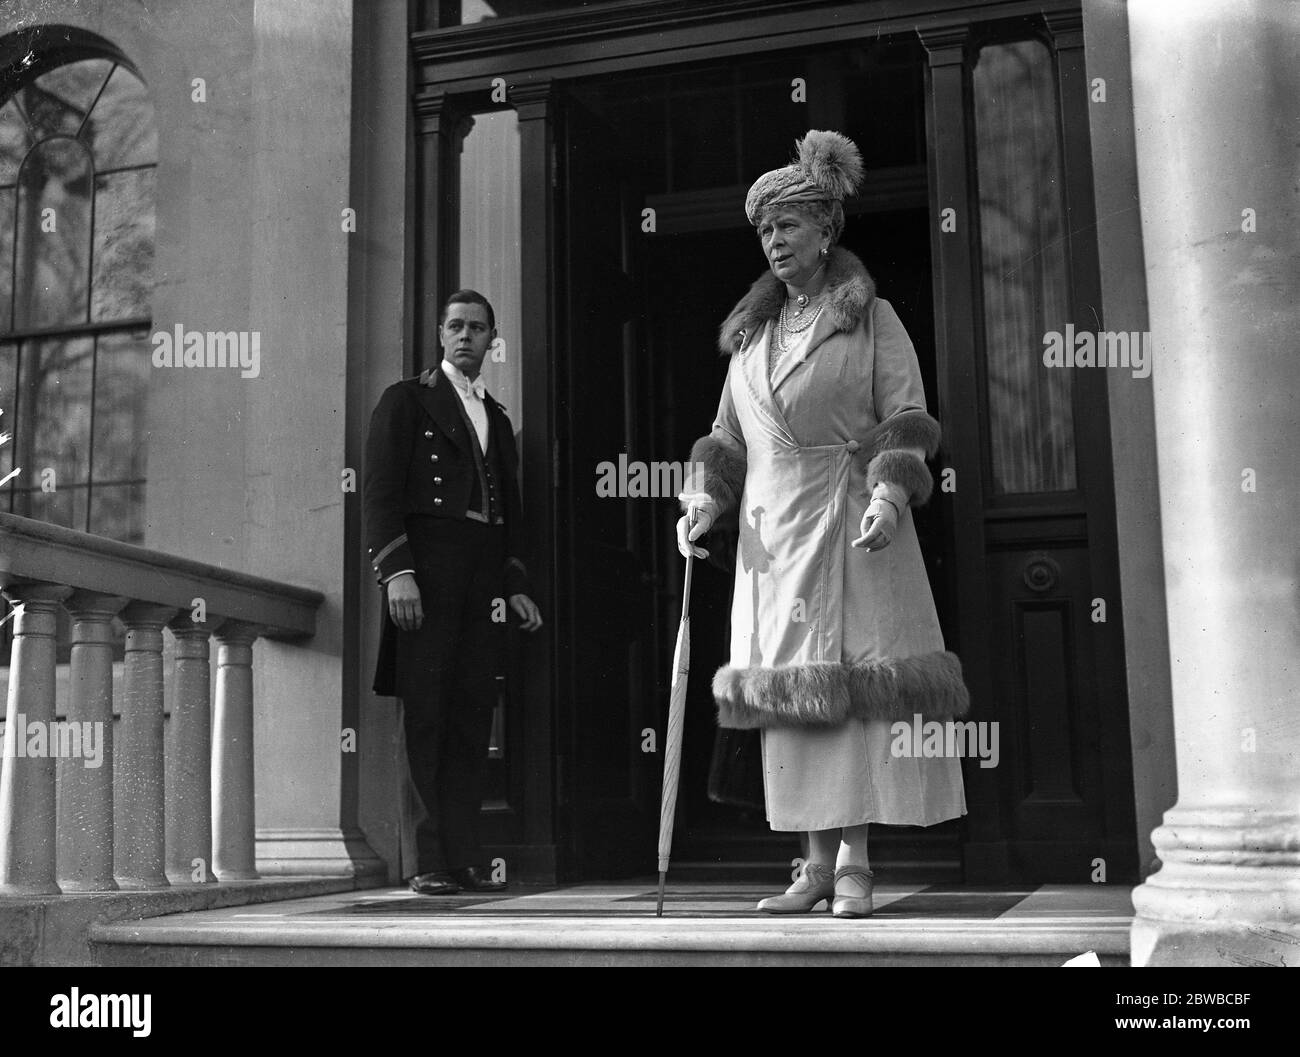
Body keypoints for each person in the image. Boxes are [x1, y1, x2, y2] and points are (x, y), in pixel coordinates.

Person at [676, 131, 969, 918]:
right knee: (794, 702)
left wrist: (891, 494)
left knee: (855, 693)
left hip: (852, 522)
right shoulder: (749, 339)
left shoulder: (873, 320)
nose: (774, 241)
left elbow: (907, 416)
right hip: (773, 543)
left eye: (789, 225)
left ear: (826, 231)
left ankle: (857, 863)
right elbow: (726, 437)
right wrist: (703, 499)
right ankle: (808, 860)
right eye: (766, 229)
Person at [365, 289, 543, 896]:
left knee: (472, 717)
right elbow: (381, 494)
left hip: (482, 577)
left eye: (478, 329)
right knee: (427, 714)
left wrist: (514, 583)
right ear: (441, 334)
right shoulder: (407, 400)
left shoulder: (498, 418)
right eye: (456, 326)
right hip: (427, 571)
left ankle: (465, 855)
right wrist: (398, 573)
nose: (466, 337)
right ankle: (427, 860)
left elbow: (511, 514)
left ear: (492, 341)